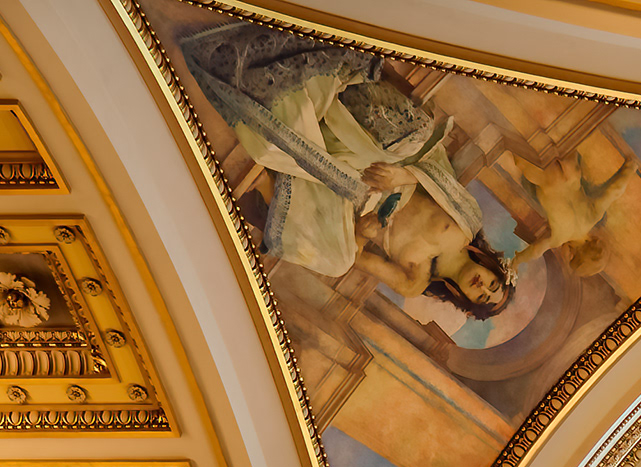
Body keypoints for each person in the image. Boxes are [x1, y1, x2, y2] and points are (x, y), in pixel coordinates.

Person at [173, 21, 516, 322]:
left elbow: (358, 258)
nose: (483, 287)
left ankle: (268, 184)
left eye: (483, 297)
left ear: (467, 303)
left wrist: (365, 233)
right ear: (491, 267)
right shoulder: (466, 225)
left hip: (361, 198)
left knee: (334, 259)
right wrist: (401, 177)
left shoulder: (414, 283)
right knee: (411, 137)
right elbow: (437, 174)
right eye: (493, 284)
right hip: (394, 171)